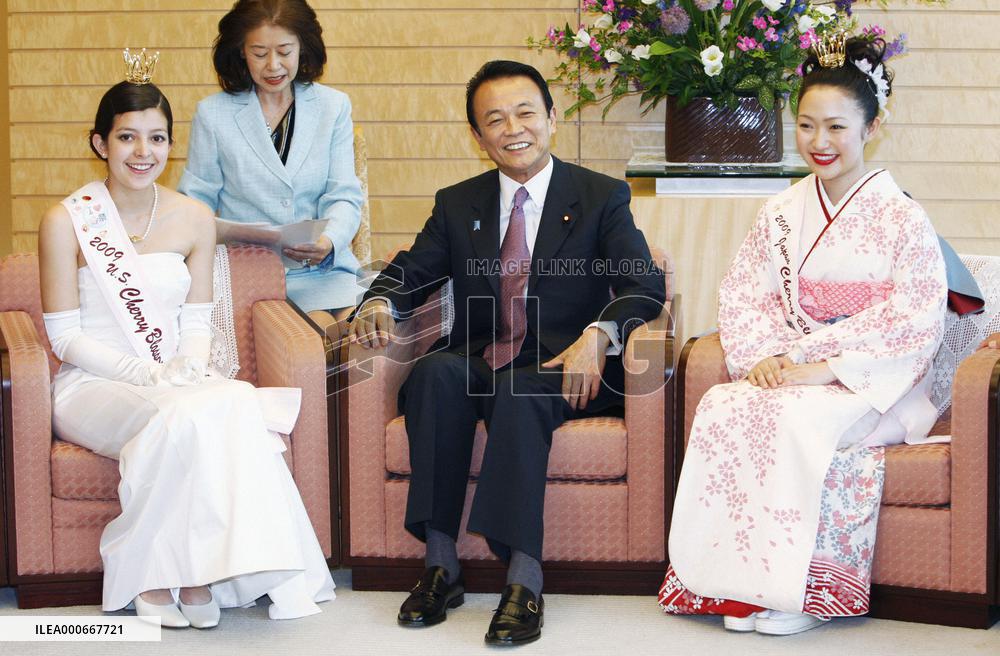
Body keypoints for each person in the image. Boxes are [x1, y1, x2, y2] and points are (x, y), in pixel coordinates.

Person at [350, 60, 665, 645]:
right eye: (494, 119)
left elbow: (644, 285)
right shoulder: (457, 203)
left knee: (518, 390)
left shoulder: (600, 196)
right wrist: (379, 300)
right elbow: (411, 272)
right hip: (480, 358)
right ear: (477, 135)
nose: (512, 128)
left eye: (525, 112)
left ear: (550, 116)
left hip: (560, 366)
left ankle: (524, 579)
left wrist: (599, 336)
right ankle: (440, 567)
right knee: (435, 374)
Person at [658, 35, 948, 635]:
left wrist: (827, 369)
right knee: (726, 404)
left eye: (836, 127)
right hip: (791, 365)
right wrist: (763, 357)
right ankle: (732, 588)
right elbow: (743, 293)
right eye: (807, 125)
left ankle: (805, 593)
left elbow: (918, 316)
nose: (820, 142)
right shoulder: (782, 213)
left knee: (798, 421)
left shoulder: (901, 216)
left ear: (870, 128)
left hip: (871, 381)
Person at [38, 57, 335, 629]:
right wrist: (146, 373)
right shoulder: (67, 220)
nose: (141, 151)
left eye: (156, 138)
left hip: (175, 375)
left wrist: (187, 367)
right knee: (185, 416)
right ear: (100, 142)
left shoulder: (193, 216)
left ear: (171, 145)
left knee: (224, 402)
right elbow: (63, 336)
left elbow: (197, 321)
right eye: (126, 137)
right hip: (93, 384)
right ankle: (151, 573)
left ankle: (194, 574)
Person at [179, 0, 364, 318]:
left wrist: (328, 241)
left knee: (359, 336)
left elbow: (343, 195)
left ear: (303, 48)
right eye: (260, 53)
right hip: (247, 276)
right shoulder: (212, 114)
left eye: (285, 51)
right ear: (241, 51)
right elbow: (196, 203)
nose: (273, 66)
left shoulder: (333, 106)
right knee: (305, 338)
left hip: (321, 271)